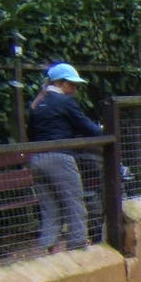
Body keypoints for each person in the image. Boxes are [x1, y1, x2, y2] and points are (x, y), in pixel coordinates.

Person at [27, 62, 103, 252]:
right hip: (60, 159)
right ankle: (78, 247)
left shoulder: (37, 104)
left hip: (37, 160)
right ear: (61, 83)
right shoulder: (66, 102)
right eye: (72, 84)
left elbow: (31, 133)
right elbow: (89, 129)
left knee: (49, 206)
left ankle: (49, 248)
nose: (75, 89)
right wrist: (103, 129)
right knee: (74, 203)